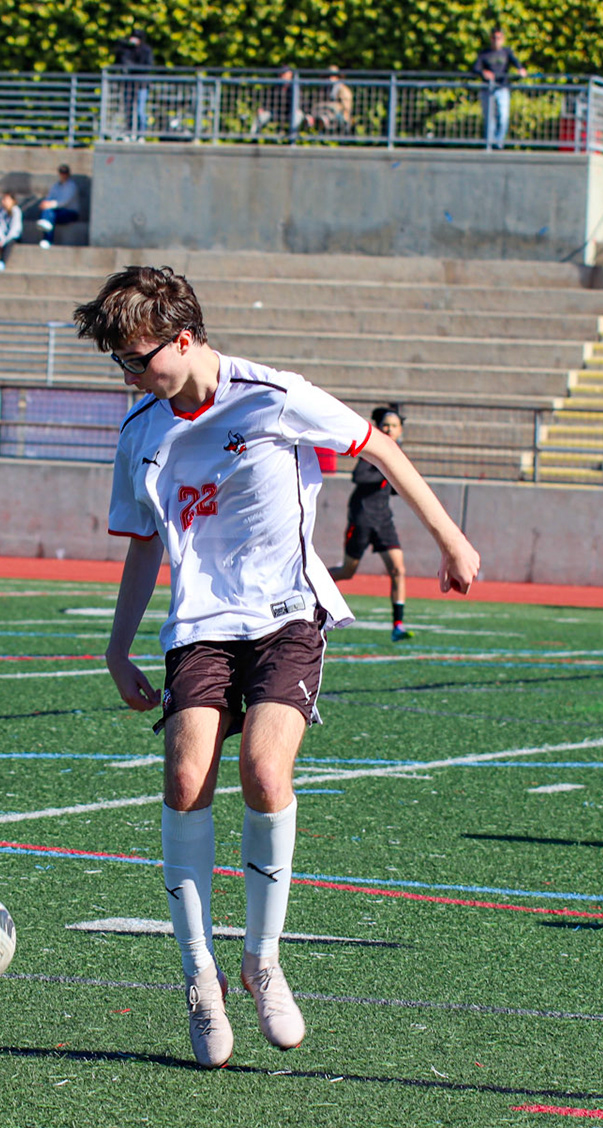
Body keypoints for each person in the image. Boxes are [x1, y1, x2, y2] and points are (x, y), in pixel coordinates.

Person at [79, 266, 480, 1068]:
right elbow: (145, 543)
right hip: (200, 624)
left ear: (183, 339)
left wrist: (450, 538)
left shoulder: (272, 394)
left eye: (137, 360)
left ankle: (261, 962)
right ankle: (200, 976)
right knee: (185, 777)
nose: (129, 377)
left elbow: (379, 448)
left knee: (265, 772)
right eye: (119, 363)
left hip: (288, 613)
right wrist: (118, 648)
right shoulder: (140, 430)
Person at [328, 404, 412, 641]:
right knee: (347, 571)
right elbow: (359, 476)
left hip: (383, 519)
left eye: (394, 425)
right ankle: (312, 585)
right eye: (385, 425)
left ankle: (398, 626)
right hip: (362, 517)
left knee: (398, 569)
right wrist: (386, 470)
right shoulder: (374, 452)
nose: (389, 429)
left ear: (401, 430)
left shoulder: (396, 453)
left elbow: (393, 488)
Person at [473, 28, 523, 150]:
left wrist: (520, 69)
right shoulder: (484, 53)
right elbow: (475, 68)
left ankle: (498, 143)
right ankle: (489, 143)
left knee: (503, 117)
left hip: (502, 88)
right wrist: (483, 73)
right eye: (494, 38)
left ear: (503, 39)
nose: (496, 40)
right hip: (488, 89)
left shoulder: (506, 52)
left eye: (499, 38)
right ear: (491, 39)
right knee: (489, 118)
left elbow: (516, 62)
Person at [112, 32, 154, 139]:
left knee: (140, 110)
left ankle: (141, 134)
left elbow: (148, 66)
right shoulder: (126, 50)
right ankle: (128, 132)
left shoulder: (145, 50)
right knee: (128, 110)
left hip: (141, 84)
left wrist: (134, 67)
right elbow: (119, 62)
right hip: (128, 84)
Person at [35, 164, 83, 247]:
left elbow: (64, 202)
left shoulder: (71, 186)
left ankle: (48, 239)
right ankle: (47, 239)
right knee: (48, 214)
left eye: (65, 173)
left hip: (70, 213)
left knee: (50, 216)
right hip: (57, 211)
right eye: (61, 172)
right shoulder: (56, 186)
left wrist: (49, 204)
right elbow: (50, 197)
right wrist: (45, 203)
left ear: (68, 174)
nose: (63, 175)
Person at [315, 67, 353, 133]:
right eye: (328, 76)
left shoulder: (343, 89)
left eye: (333, 76)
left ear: (338, 77)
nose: (330, 78)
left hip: (340, 116)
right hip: (326, 112)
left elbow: (346, 107)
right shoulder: (326, 88)